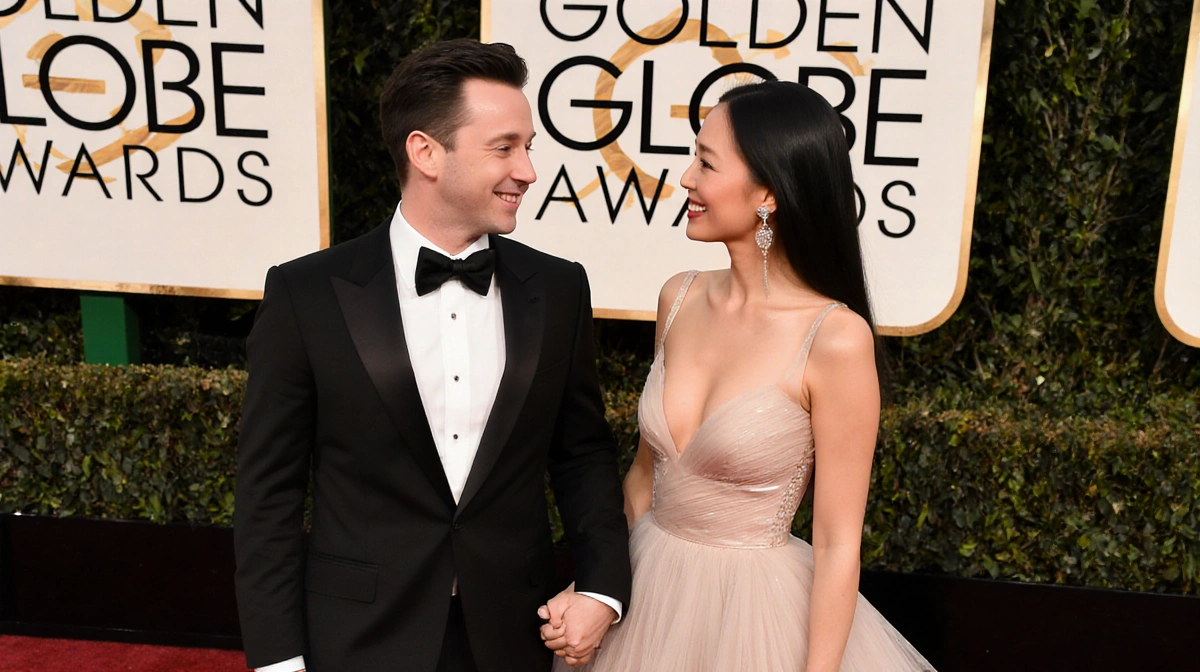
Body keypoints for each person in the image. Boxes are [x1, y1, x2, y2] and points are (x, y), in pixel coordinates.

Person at [234, 39, 631, 672]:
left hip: (516, 632)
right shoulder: (307, 292)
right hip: (358, 637)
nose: (527, 170)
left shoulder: (559, 287)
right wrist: (278, 660)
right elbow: (267, 495)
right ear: (426, 152)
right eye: (504, 148)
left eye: (528, 147)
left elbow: (581, 451)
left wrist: (603, 589)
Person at [540, 81, 935, 671]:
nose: (686, 179)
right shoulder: (679, 296)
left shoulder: (835, 338)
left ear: (769, 193)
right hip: (646, 601)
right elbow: (642, 483)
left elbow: (836, 543)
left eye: (705, 162)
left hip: (757, 621)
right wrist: (596, 587)